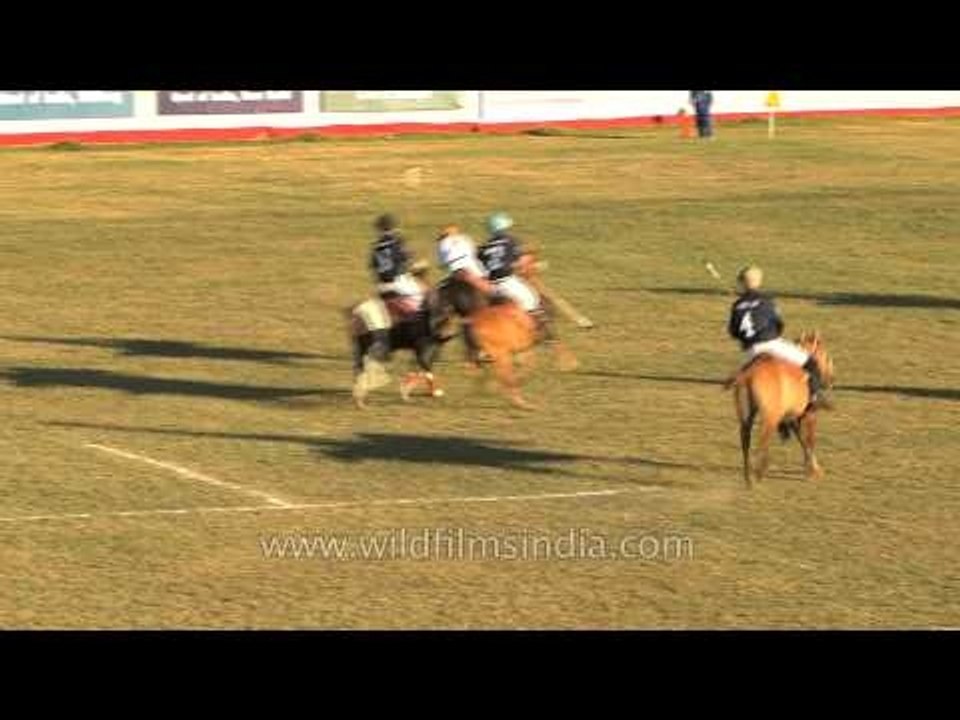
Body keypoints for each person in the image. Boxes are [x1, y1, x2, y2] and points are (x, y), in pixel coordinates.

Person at [727, 265, 828, 410]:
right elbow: (779, 325)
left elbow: (733, 332)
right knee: (812, 364)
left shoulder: (737, 305)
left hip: (750, 353)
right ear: (759, 281)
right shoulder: (767, 300)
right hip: (771, 345)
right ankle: (813, 398)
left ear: (742, 283)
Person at [436, 225, 494, 362]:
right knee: (496, 298)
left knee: (464, 317)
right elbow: (475, 255)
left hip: (455, 275)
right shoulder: (465, 238)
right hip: (474, 274)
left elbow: (443, 264)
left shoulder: (441, 244)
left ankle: (443, 327)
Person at [477, 212, 541, 314]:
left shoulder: (484, 247)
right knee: (532, 301)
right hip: (507, 282)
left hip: (489, 287)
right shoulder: (510, 240)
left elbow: (480, 267)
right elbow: (522, 262)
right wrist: (535, 266)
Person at [369, 213, 424, 317]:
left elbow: (372, 265)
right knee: (420, 295)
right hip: (399, 284)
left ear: (380, 228)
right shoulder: (397, 241)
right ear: (393, 227)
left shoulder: (376, 246)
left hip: (382, 287)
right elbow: (404, 258)